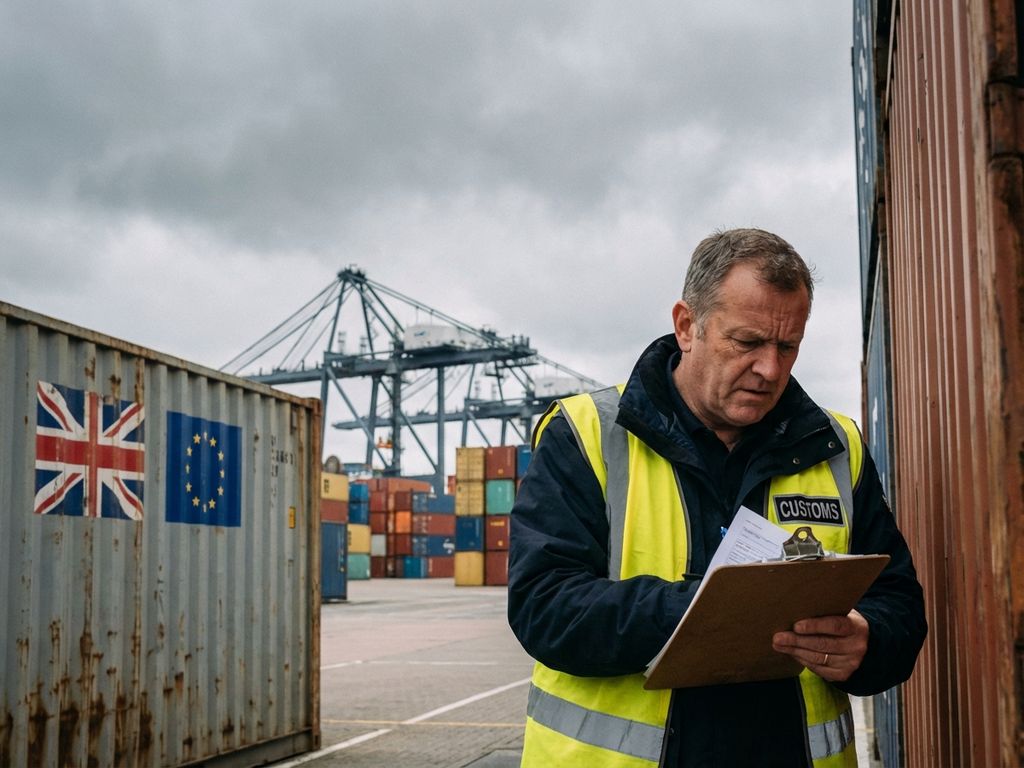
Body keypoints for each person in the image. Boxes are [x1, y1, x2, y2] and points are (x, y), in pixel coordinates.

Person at [507, 228, 926, 768]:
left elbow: (899, 604)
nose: (770, 369)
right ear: (687, 325)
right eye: (748, 342)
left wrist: (867, 641)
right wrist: (715, 611)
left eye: (788, 346)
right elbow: (545, 607)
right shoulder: (586, 436)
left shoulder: (836, 448)